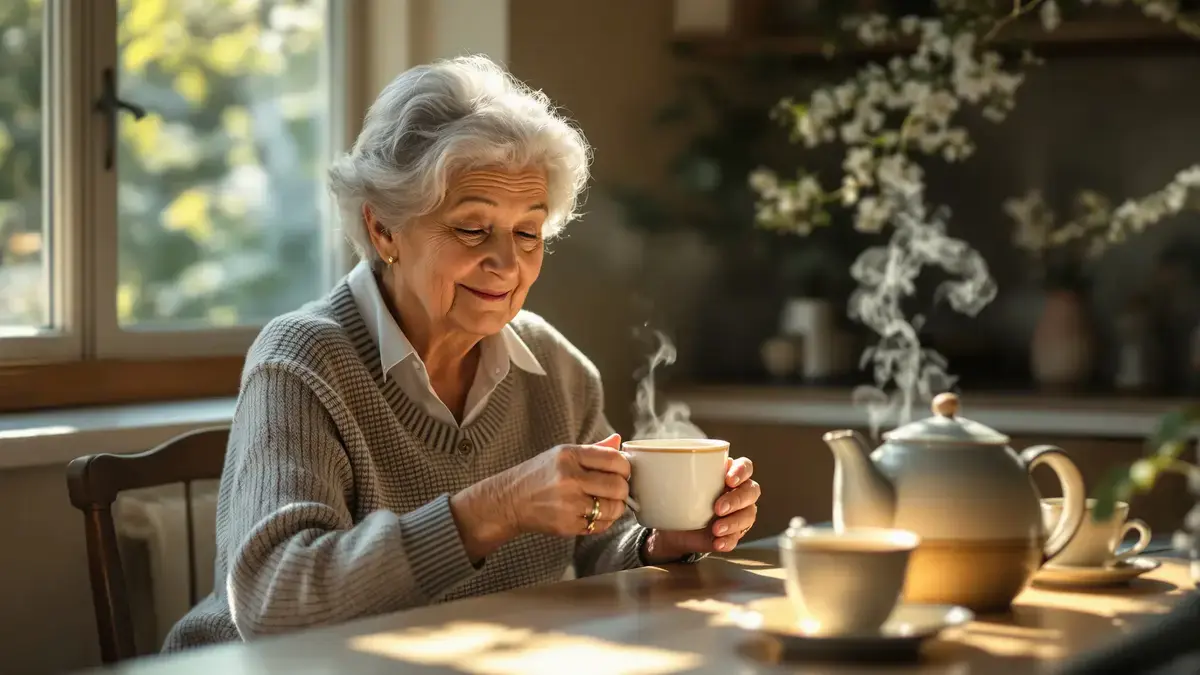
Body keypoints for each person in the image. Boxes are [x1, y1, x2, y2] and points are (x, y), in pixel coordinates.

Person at [164, 55, 761, 651]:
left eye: (528, 232)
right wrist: (492, 510)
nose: (508, 264)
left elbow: (598, 538)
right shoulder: (304, 360)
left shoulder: (554, 366)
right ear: (383, 230)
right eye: (473, 229)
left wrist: (660, 543)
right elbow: (273, 602)